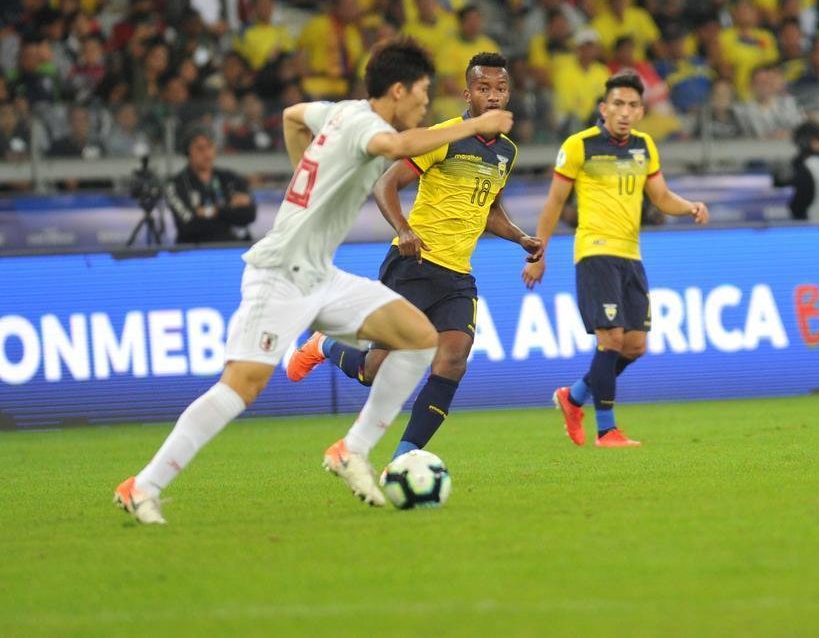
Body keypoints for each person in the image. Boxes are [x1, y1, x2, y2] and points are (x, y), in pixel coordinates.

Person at [113, 38, 515, 524]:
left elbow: (291, 116)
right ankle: (144, 484)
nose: (427, 106)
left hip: (322, 273)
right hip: (280, 274)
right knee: (239, 388)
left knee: (418, 340)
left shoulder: (339, 111)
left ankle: (352, 449)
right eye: (423, 95)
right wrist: (476, 123)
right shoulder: (369, 126)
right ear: (399, 90)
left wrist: (303, 177)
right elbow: (397, 148)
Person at [287, 51, 542, 458]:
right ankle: (325, 345)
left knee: (453, 360)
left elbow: (488, 208)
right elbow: (385, 185)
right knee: (375, 370)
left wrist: (520, 238)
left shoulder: (507, 151)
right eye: (483, 88)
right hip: (415, 265)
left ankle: (404, 457)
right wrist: (404, 230)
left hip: (457, 276)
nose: (493, 96)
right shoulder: (443, 137)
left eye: (500, 88)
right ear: (468, 93)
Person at [522, 72, 708, 447]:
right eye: (617, 104)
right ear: (603, 108)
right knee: (611, 338)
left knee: (635, 345)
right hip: (595, 252)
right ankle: (607, 430)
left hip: (630, 255)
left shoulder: (644, 147)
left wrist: (688, 206)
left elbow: (659, 196)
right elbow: (555, 203)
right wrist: (538, 255)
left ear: (641, 111)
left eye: (632, 105)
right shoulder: (580, 146)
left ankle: (573, 397)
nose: (624, 112)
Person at [165, 125, 258, 244]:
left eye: (210, 147)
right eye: (200, 149)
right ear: (188, 152)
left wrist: (213, 212)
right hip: (192, 251)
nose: (207, 154)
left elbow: (250, 214)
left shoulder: (230, 178)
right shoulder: (176, 184)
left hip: (231, 248)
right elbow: (189, 225)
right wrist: (229, 213)